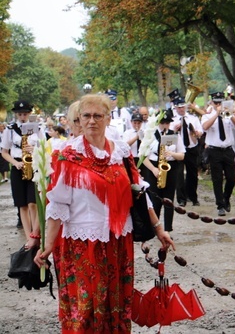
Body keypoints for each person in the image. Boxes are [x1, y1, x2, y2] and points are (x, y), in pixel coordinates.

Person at [33, 94, 174, 333]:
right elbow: (58, 206)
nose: (91, 121)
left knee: (115, 304)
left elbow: (139, 192)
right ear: (78, 119)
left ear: (108, 118)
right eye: (86, 116)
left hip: (118, 242)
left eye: (97, 115)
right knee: (86, 307)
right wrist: (46, 245)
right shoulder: (68, 156)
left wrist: (159, 229)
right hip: (82, 244)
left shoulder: (120, 152)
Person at [1, 101, 45, 248]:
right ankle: (28, 237)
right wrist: (15, 163)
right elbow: (4, 152)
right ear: (16, 114)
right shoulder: (10, 129)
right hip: (18, 166)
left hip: (33, 165)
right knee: (22, 205)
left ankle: (35, 234)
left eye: (25, 113)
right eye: (20, 114)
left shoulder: (38, 128)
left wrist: (34, 149)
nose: (22, 116)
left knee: (33, 203)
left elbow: (45, 146)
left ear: (29, 114)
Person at [142, 110, 186, 231]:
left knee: (169, 200)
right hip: (154, 167)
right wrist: (153, 169)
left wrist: (171, 153)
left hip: (170, 166)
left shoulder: (174, 135)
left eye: (167, 123)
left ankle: (168, 229)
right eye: (162, 123)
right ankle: (155, 228)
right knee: (155, 201)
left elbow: (182, 155)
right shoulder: (150, 135)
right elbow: (143, 157)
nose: (165, 125)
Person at [202, 92, 235, 216]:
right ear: (212, 103)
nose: (218, 104)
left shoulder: (228, 115)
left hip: (228, 149)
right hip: (214, 150)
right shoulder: (207, 116)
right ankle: (220, 205)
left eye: (220, 103)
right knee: (217, 179)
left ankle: (226, 197)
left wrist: (229, 115)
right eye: (216, 102)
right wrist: (216, 114)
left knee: (231, 178)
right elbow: (205, 127)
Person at [172, 96, 203, 206]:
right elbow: (169, 134)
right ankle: (181, 198)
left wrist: (197, 133)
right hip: (178, 149)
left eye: (183, 107)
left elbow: (200, 130)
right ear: (175, 107)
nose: (181, 109)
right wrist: (174, 130)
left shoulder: (192, 118)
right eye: (179, 107)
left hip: (191, 147)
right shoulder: (172, 119)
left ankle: (193, 196)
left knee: (192, 174)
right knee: (179, 175)